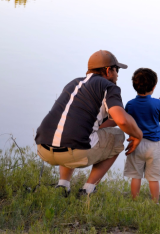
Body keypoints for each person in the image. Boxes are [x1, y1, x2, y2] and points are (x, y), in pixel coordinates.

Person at [34, 50, 143, 197]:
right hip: (73, 153)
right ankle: (88, 190)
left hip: (43, 149)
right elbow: (122, 120)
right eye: (117, 70)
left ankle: (63, 186)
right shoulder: (109, 87)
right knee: (118, 136)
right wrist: (138, 135)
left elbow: (83, 120)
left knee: (68, 130)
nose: (118, 74)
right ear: (108, 71)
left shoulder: (73, 83)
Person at [123, 68, 160, 202]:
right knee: (153, 177)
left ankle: (134, 200)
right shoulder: (157, 103)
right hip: (153, 146)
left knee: (136, 176)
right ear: (153, 87)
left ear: (134, 86)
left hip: (135, 144)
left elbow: (127, 121)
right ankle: (155, 202)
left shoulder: (130, 104)